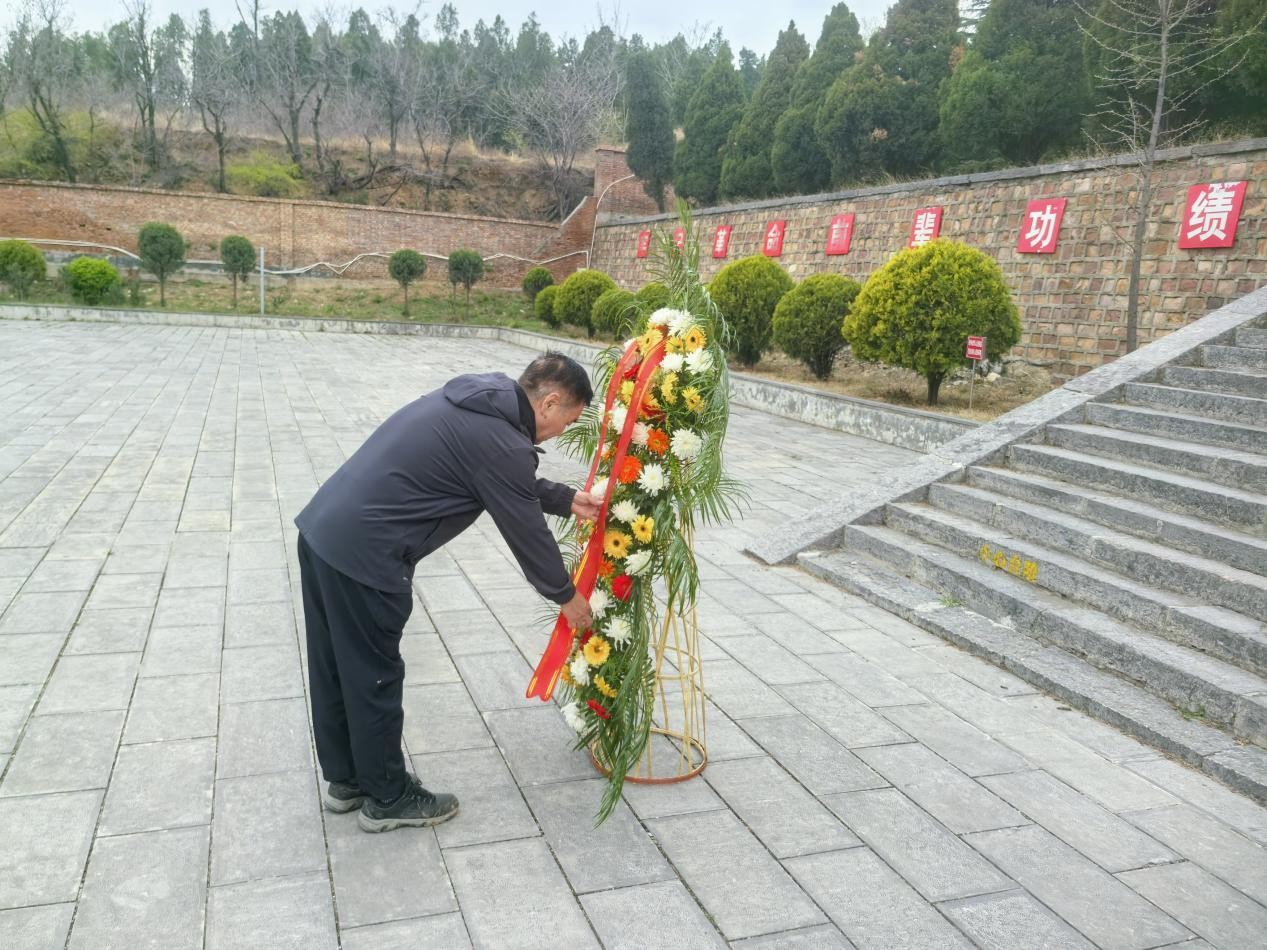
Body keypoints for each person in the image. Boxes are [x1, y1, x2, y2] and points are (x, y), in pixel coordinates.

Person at [295, 352, 599, 833]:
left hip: (324, 534)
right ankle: (388, 797)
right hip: (367, 557)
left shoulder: (484, 399)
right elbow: (526, 530)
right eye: (569, 419)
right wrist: (567, 596)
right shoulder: (501, 440)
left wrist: (565, 499)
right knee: (374, 675)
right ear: (550, 402)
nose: (563, 431)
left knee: (336, 667)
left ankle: (347, 780)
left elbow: (497, 473)